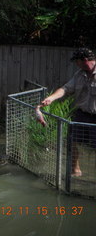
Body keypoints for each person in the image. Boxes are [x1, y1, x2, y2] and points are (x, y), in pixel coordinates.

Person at [39, 48, 96, 177]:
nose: (76, 64)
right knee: (71, 141)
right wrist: (51, 98)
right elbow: (66, 88)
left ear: (85, 60)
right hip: (82, 114)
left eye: (77, 61)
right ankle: (75, 171)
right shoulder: (79, 74)